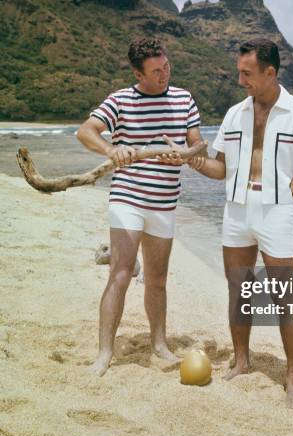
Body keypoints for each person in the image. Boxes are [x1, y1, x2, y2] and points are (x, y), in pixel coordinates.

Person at [187, 38, 293, 407]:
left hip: (276, 211)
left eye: (246, 73)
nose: (240, 80)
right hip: (236, 210)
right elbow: (220, 168)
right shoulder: (235, 114)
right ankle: (242, 360)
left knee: (285, 297)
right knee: (239, 290)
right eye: (238, 72)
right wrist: (194, 162)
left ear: (269, 72)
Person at [76, 37, 202, 376]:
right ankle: (104, 353)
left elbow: (198, 144)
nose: (164, 75)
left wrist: (188, 154)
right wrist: (110, 150)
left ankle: (159, 343)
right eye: (156, 71)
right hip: (127, 197)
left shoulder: (183, 98)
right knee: (120, 272)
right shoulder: (120, 100)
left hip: (165, 201)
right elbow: (86, 131)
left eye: (167, 67)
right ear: (138, 72)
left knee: (157, 279)